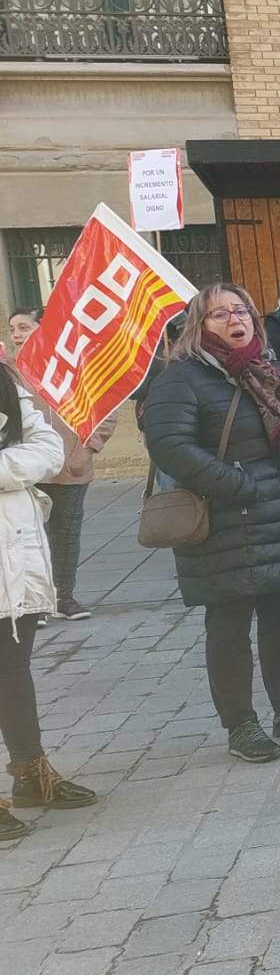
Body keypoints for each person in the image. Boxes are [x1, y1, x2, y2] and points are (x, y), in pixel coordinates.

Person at [143, 283, 280, 761]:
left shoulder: (266, 366)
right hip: (226, 520)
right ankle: (240, 724)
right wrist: (234, 483)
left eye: (241, 311)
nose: (234, 320)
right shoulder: (183, 378)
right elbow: (170, 445)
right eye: (219, 314)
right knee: (229, 626)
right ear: (199, 325)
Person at [0, 359, 95, 841]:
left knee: (13, 671)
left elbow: (48, 447)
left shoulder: (3, 381)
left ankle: (31, 775)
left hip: (13, 553)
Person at [6, 309, 113, 618]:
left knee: (65, 535)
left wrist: (87, 448)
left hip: (71, 467)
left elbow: (105, 409)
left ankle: (63, 597)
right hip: (26, 471)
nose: (16, 334)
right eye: (13, 328)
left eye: (24, 327)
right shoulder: (8, 372)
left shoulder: (76, 367)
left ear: (45, 329)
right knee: (28, 537)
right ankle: (35, 604)